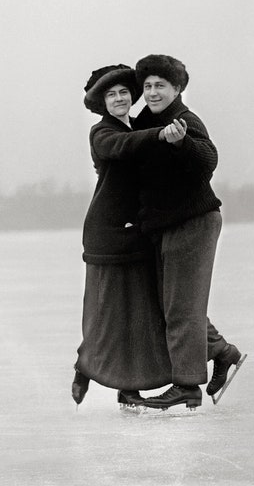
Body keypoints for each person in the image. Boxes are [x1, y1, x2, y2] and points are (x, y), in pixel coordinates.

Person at [132, 54, 243, 410]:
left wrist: (183, 144)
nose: (152, 92)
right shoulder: (146, 122)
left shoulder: (184, 120)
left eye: (160, 85)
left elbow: (208, 161)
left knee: (181, 308)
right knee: (175, 304)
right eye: (147, 86)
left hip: (194, 222)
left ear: (177, 88)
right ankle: (222, 352)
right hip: (167, 225)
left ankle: (186, 386)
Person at [73, 64, 173, 407]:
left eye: (123, 93)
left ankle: (127, 386)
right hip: (106, 235)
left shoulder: (138, 124)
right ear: (102, 102)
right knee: (108, 313)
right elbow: (121, 146)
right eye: (111, 94)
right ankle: (87, 367)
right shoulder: (102, 133)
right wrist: (160, 135)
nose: (118, 99)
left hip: (135, 233)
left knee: (138, 313)